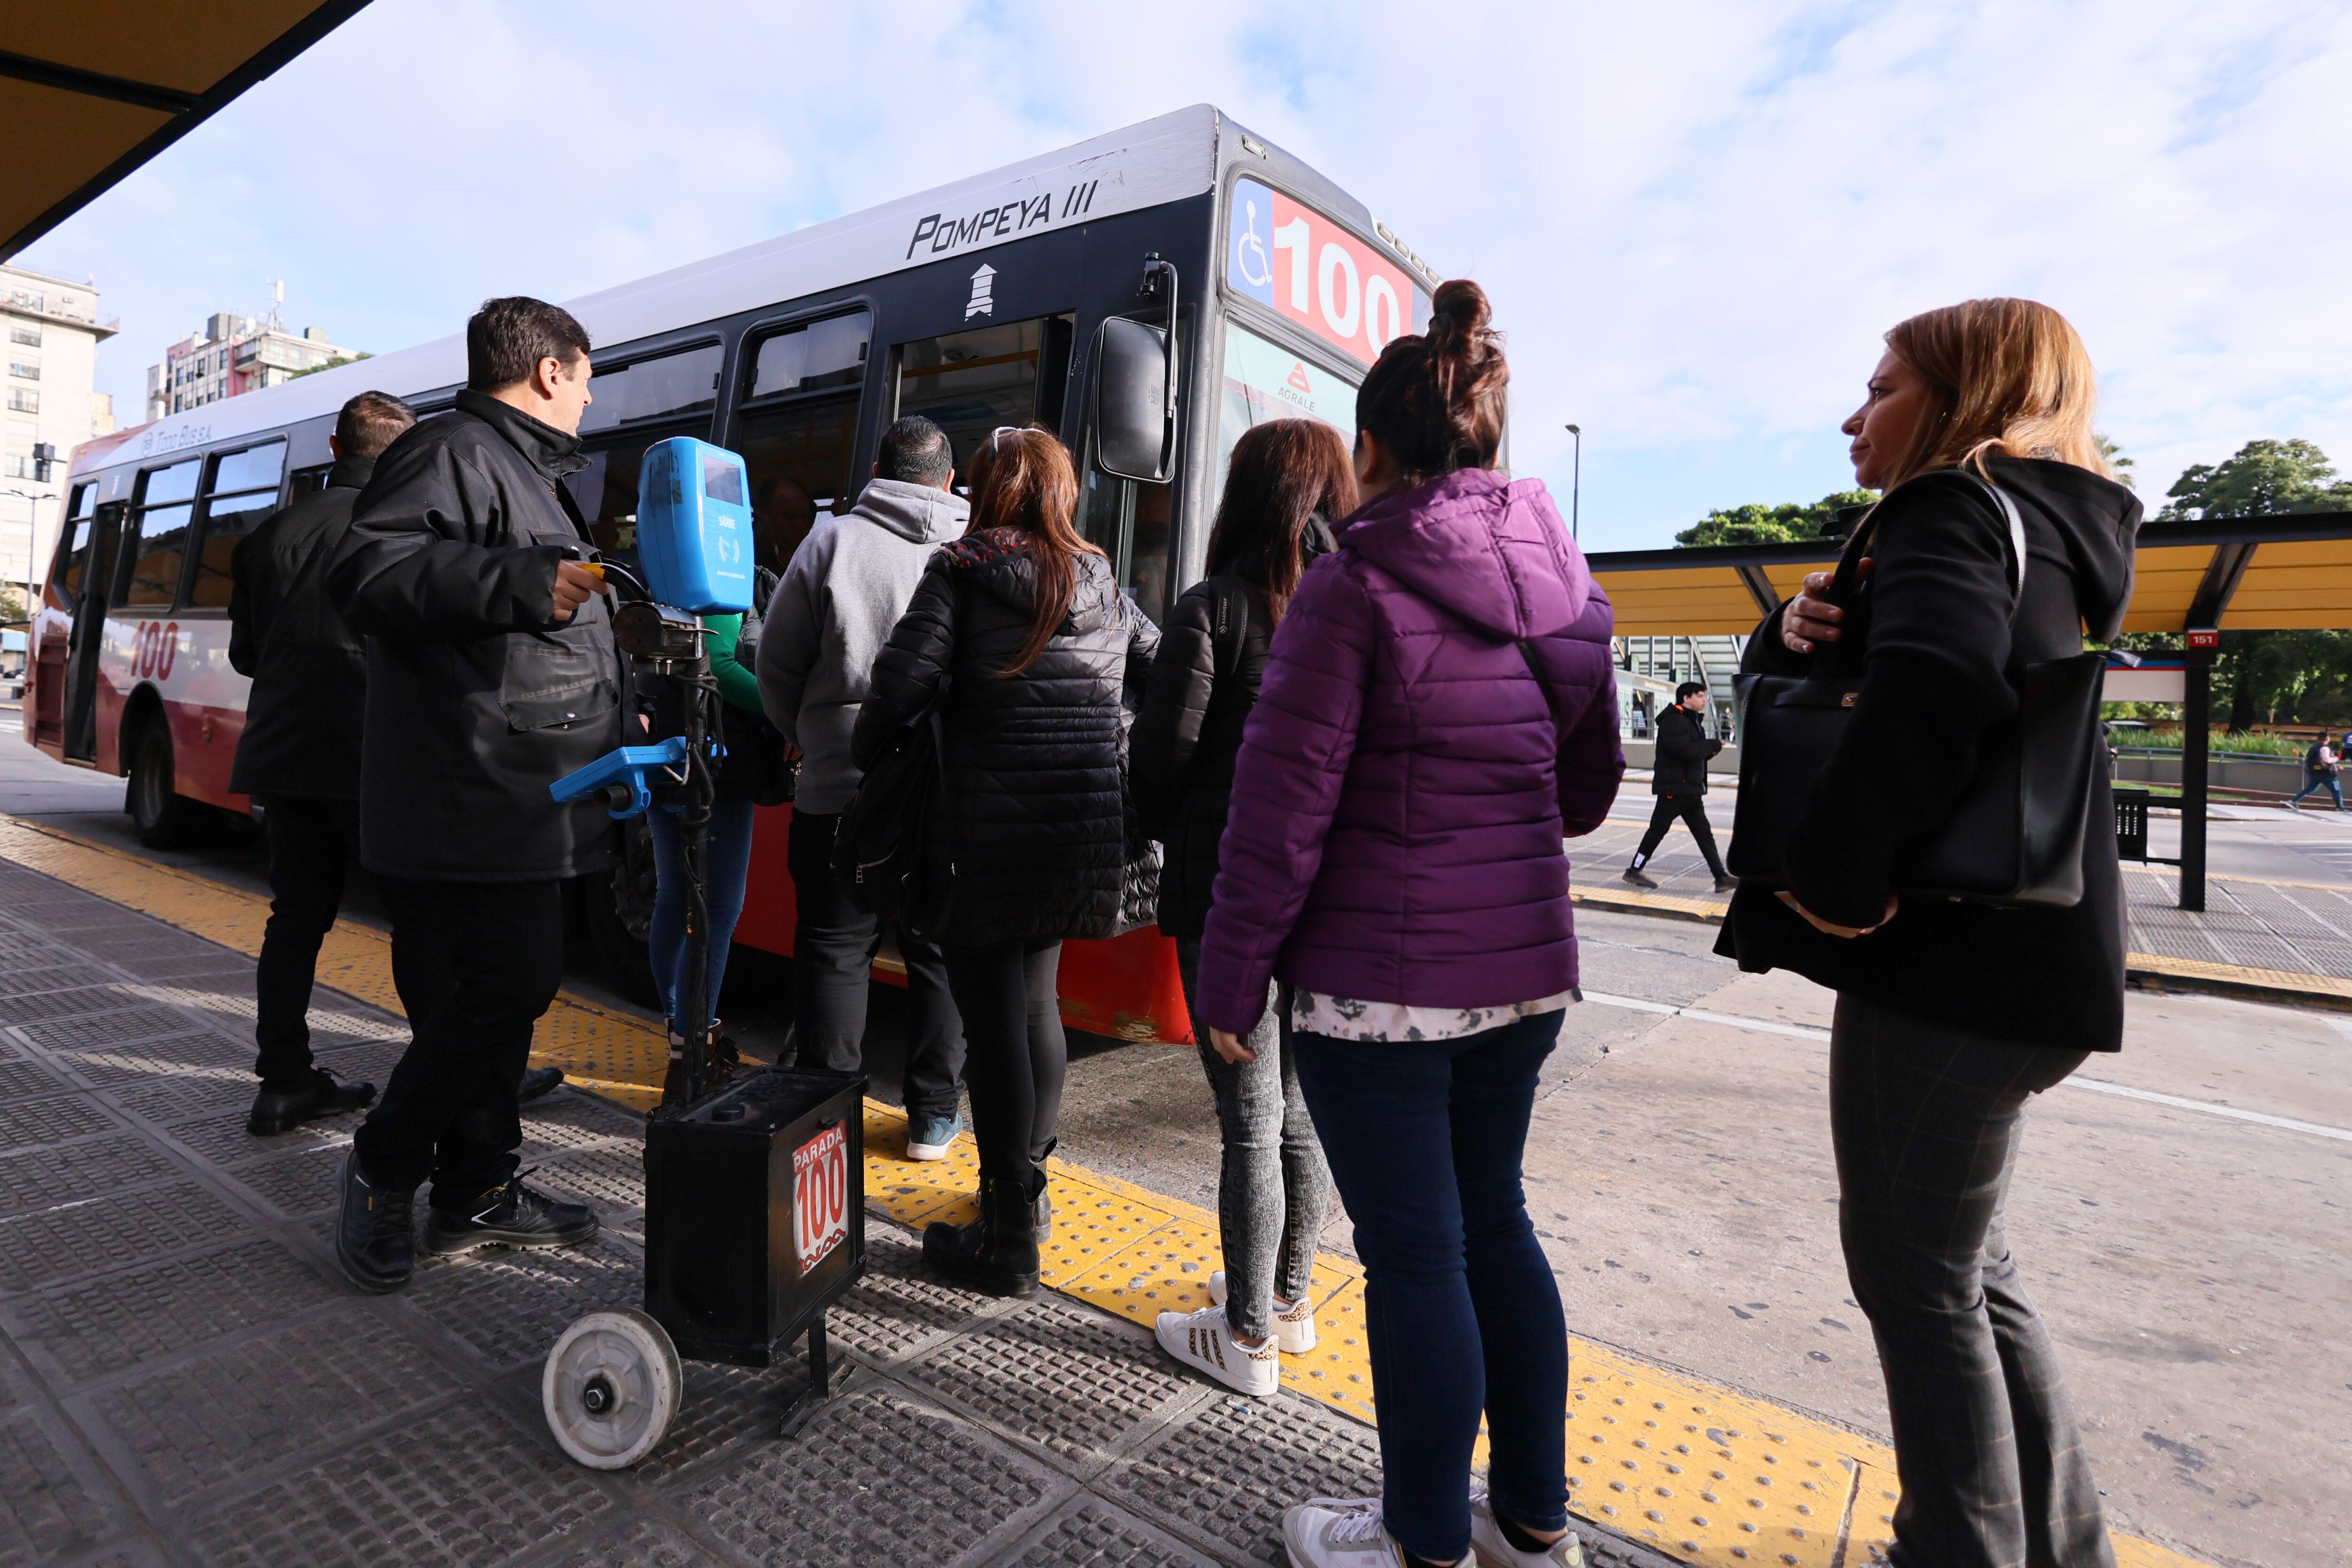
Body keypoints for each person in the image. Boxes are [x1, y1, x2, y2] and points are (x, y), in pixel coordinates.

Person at [1194, 281, 1623, 1568]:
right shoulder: (1572, 591)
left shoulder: (1352, 588)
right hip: (1525, 978)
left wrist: (1228, 983)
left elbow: (1278, 820)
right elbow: (1588, 795)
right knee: (1499, 1222)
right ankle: (1535, 1527)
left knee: (1419, 1257)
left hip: (1379, 991)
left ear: (1369, 450)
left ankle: (1424, 1536)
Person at [1724, 297, 2137, 1567]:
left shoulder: (1948, 505)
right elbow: (1923, 669)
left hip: (1950, 966)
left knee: (1914, 1277)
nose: (1858, 414)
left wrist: (1838, 881)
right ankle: (2062, 1548)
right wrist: (1783, 628)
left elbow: (1940, 684)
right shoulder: (2061, 526)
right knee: (1971, 1265)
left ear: (1963, 395)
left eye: (1884, 384)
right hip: (2038, 960)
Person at [325, 296, 620, 1294]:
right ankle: (386, 1160)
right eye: (586, 373)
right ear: (547, 370)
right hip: (468, 791)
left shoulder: (524, 468)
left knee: (487, 1004)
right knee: (503, 990)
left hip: (521, 787)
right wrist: (528, 581)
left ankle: (476, 1188)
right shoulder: (450, 447)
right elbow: (369, 573)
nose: (589, 392)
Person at [851, 425, 1157, 1296]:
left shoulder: (960, 571)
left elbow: (898, 690)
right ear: (1061, 493)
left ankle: (1009, 1232)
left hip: (984, 835)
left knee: (993, 1029)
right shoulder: (1099, 576)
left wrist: (867, 758)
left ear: (983, 491)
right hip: (1075, 833)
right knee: (1036, 1006)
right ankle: (1029, 1193)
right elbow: (1162, 664)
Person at [1130, 419, 1348, 1395]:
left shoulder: (1213, 607)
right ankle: (1290, 1300)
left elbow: (1162, 758)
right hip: (1329, 898)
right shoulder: (1353, 611)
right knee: (1302, 1115)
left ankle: (1245, 1331)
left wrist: (1155, 820)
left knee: (1250, 1122)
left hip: (1229, 891)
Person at [759, 416, 969, 1156]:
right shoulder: (972, 549)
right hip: (940, 796)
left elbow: (776, 667)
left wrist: (811, 734)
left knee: (832, 948)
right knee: (937, 953)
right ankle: (935, 1115)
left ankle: (828, 1116)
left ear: (877, 471)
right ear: (948, 480)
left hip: (837, 786)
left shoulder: (830, 541)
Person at [228, 391, 410, 1137]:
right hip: (378, 758)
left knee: (296, 919)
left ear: (336, 450)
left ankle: (283, 1081)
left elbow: (246, 655)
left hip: (284, 755)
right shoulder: (406, 533)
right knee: (425, 922)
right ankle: (462, 1075)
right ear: (402, 457)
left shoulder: (266, 537)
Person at [1622, 681, 1735, 892]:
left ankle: (1721, 878)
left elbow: (1693, 755)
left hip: (1689, 791)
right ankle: (1634, 871)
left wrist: (1710, 750)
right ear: (1686, 698)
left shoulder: (1691, 721)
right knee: (1657, 832)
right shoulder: (1675, 721)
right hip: (1675, 790)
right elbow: (1685, 751)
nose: (1704, 700)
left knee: (1704, 835)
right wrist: (1712, 745)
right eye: (1700, 696)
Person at [2289, 735, 2342, 810]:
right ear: (2328, 739)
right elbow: (2327, 760)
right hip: (2325, 773)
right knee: (2336, 789)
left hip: (2313, 772)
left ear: (2318, 739)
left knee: (2309, 789)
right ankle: (2340, 807)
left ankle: (2293, 801)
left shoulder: (2313, 748)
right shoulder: (2325, 748)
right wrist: (2336, 759)